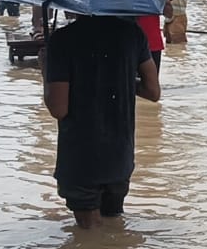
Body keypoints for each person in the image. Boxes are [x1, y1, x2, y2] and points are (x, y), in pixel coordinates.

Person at [43, 13, 160, 230]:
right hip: (120, 156)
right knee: (114, 226)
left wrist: (46, 69)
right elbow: (152, 91)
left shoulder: (63, 39)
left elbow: (58, 108)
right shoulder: (133, 34)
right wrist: (120, 77)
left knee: (90, 239)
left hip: (81, 158)